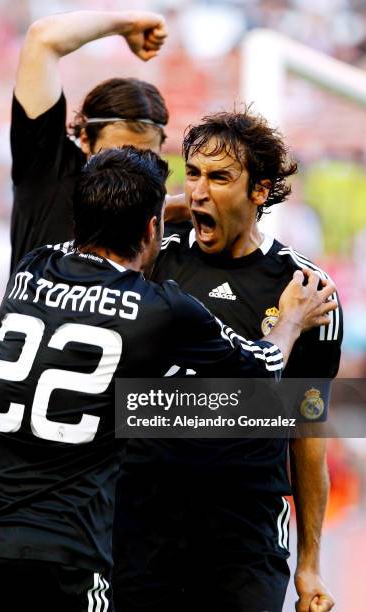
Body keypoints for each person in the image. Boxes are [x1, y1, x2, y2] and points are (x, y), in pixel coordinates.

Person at [0, 148, 336, 611]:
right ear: (152, 229)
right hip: (63, 557)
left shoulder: (31, 269)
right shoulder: (158, 308)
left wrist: (159, 204)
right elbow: (265, 366)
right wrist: (292, 321)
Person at [113, 113, 342, 612]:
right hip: (141, 525)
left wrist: (309, 565)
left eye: (218, 178)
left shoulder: (306, 291)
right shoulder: (153, 264)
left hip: (244, 539)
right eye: (192, 173)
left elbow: (307, 432)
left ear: (260, 191)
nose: (198, 191)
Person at [10, 8, 187, 274]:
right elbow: (42, 38)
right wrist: (128, 24)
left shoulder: (166, 220)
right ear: (84, 140)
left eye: (144, 158)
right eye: (114, 154)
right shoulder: (47, 172)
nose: (130, 171)